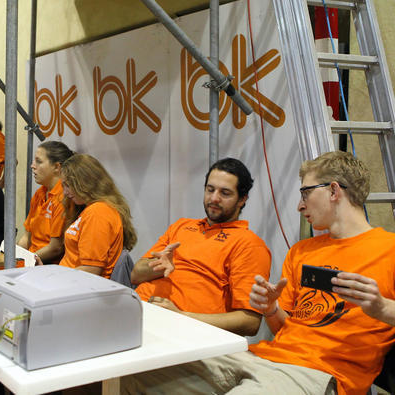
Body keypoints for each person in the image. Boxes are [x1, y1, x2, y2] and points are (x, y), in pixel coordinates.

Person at [123, 151, 395, 395]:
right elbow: (283, 329)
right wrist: (271, 309)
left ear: (333, 191)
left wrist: (382, 308)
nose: (300, 206)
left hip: (319, 373)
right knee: (128, 374)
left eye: (305, 194)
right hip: (262, 358)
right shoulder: (302, 251)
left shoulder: (389, 249)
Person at [130, 157, 271, 336]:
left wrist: (181, 317)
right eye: (210, 189)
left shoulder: (249, 244)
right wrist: (158, 267)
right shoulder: (181, 226)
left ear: (242, 199)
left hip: (183, 332)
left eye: (225, 193)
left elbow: (250, 322)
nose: (214, 198)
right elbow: (135, 275)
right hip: (139, 315)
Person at [57, 154, 136, 278]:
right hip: (71, 280)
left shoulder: (98, 213)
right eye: (63, 186)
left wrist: (54, 277)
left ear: (85, 183)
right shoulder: (92, 209)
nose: (65, 192)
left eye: (68, 185)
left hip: (78, 285)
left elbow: (91, 270)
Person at [18, 141, 74, 264]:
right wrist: (14, 257)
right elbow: (27, 237)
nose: (32, 166)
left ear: (57, 167)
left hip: (46, 264)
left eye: (38, 161)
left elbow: (55, 248)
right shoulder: (40, 193)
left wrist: (26, 260)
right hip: (31, 260)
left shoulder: (64, 197)